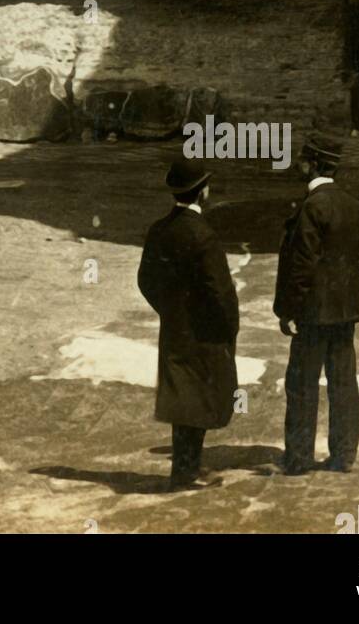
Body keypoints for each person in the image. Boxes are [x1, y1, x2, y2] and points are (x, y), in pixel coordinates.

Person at [274, 126, 359, 475]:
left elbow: (300, 265)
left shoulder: (310, 209)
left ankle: (300, 458)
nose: (301, 164)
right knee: (343, 383)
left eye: (305, 159)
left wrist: (289, 309)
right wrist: (349, 296)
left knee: (302, 385)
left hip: (312, 315)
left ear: (313, 164)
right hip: (344, 313)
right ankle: (344, 454)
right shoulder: (355, 206)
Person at [138, 157, 240, 491]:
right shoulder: (204, 235)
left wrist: (169, 310)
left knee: (183, 398)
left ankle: (185, 470)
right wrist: (227, 327)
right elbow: (220, 291)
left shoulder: (159, 229)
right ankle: (188, 471)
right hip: (204, 332)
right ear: (203, 192)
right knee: (200, 399)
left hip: (175, 329)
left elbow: (146, 280)